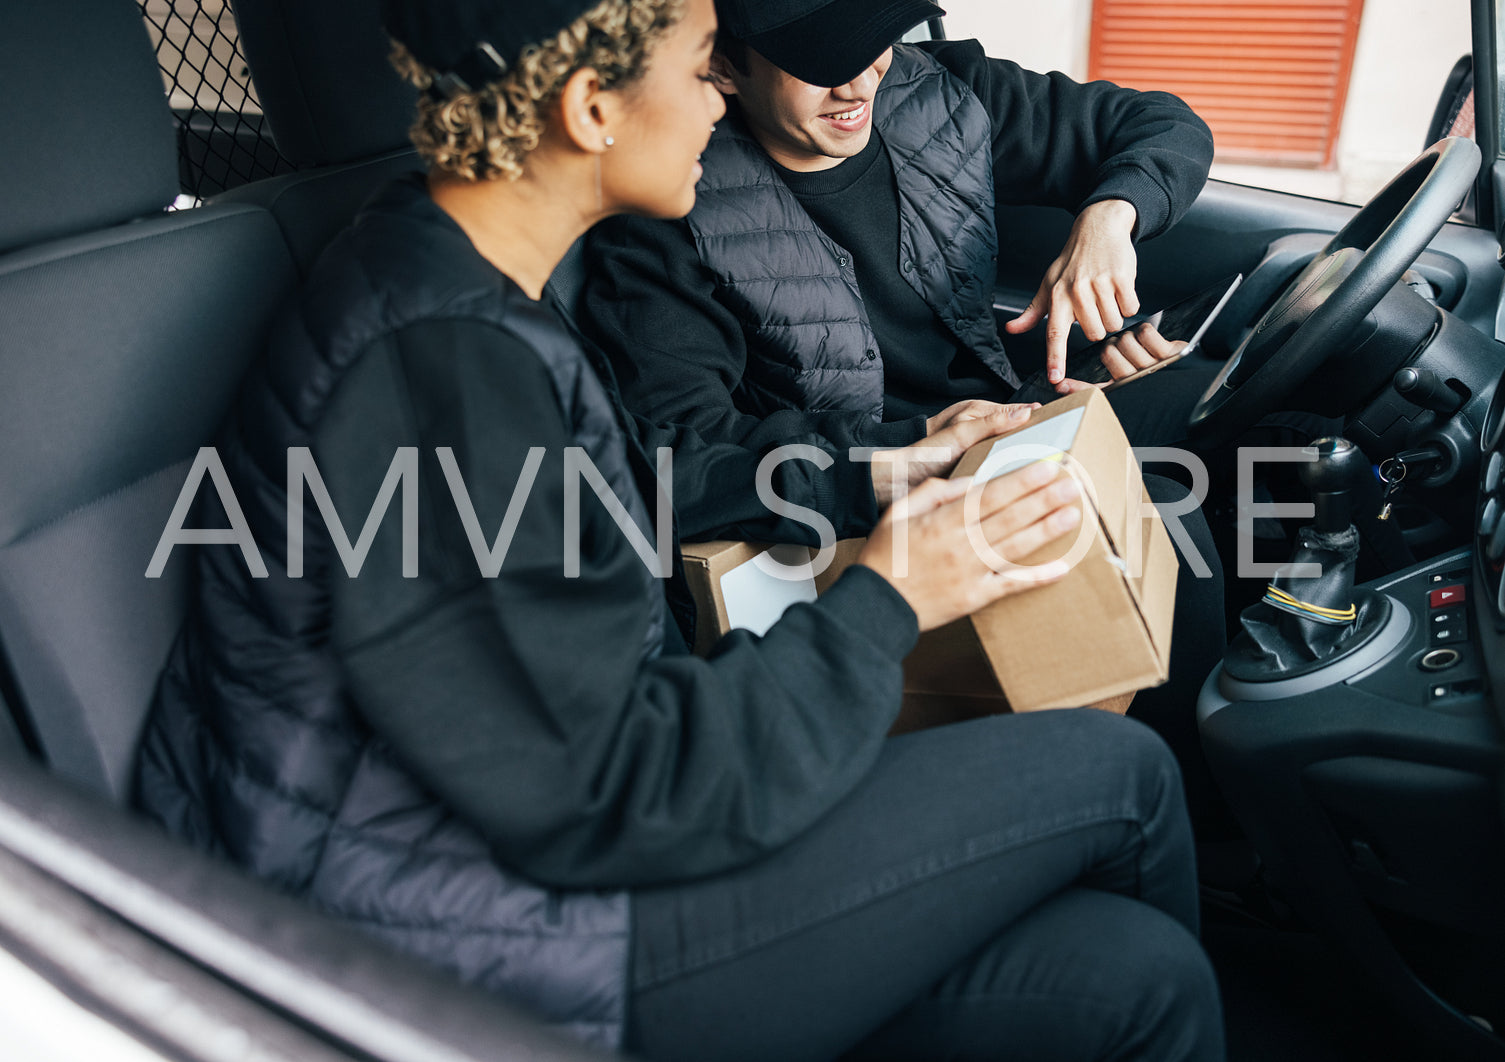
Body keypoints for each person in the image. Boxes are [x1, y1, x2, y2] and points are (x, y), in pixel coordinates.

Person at [134, 0, 1225, 1059]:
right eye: (704, 60)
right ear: (592, 108)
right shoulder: (442, 367)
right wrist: (890, 595)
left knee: (1130, 976)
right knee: (1120, 775)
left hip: (550, 828)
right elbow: (618, 791)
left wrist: (879, 487)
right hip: (478, 931)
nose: (719, 93)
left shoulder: (451, 277)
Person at [580, 0, 1219, 453]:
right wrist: (914, 449)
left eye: (872, 40)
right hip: (875, 497)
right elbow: (689, 444)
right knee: (1166, 503)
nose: (861, 83)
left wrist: (1110, 217)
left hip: (1008, 418)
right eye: (823, 62)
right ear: (722, 67)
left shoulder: (941, 92)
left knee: (1246, 415)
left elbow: (1162, 123)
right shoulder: (667, 206)